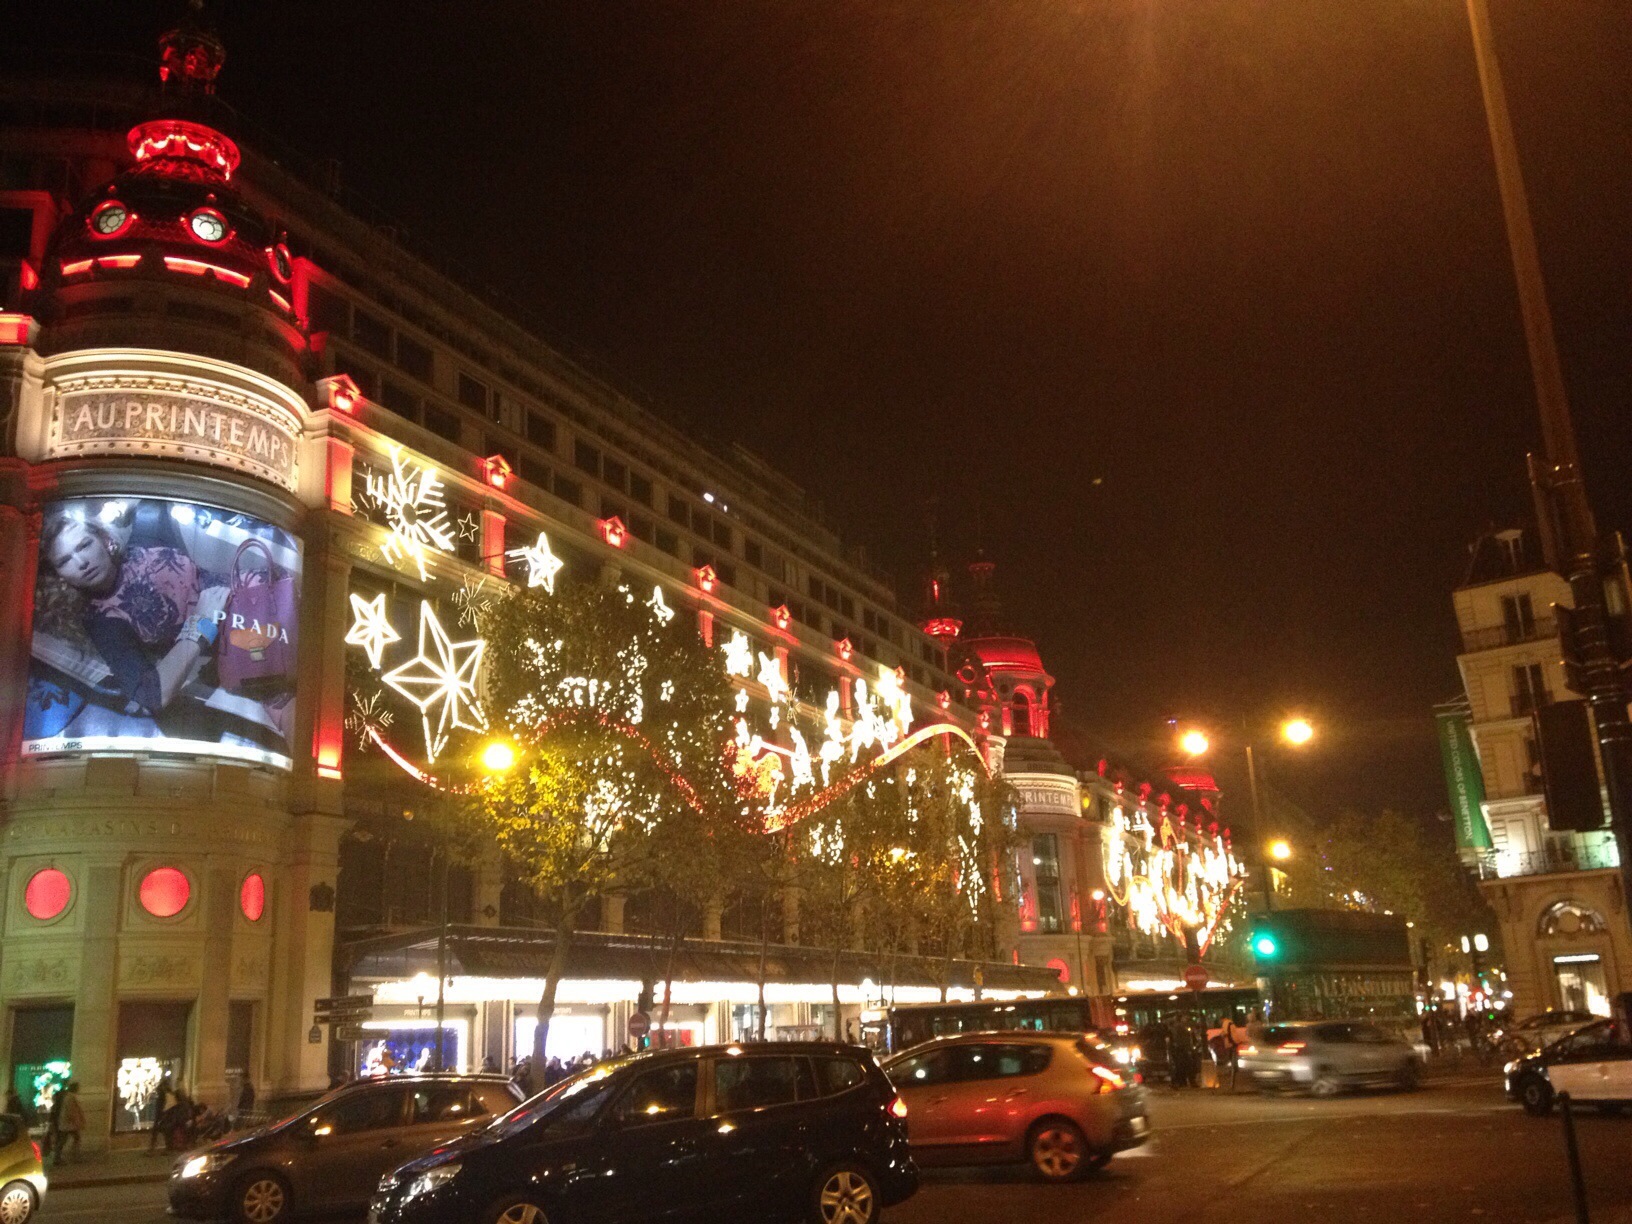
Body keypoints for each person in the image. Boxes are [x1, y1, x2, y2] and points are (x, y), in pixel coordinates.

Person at [38, 510, 231, 720]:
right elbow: (152, 696)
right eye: (64, 561)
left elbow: (153, 503)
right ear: (59, 576)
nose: (81, 562)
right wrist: (201, 622)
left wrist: (120, 508)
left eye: (84, 545)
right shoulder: (103, 622)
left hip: (247, 587)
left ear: (103, 539)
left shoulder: (144, 537)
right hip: (234, 636)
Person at [54, 1081, 83, 1166]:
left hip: (66, 1123)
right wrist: (76, 1121)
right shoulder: (70, 1097)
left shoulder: (68, 1097)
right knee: (67, 1140)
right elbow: (71, 1111)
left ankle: (60, 1157)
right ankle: (71, 1157)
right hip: (68, 1123)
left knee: (65, 1140)